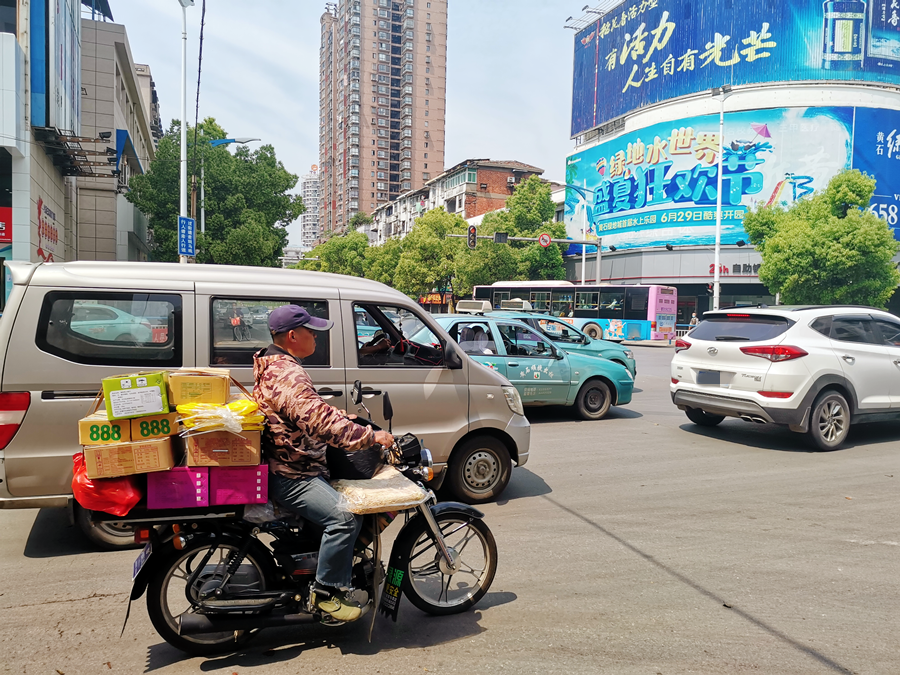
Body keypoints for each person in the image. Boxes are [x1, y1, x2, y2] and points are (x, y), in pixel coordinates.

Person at [253, 305, 394, 622]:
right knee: (344, 517)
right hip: (292, 474)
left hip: (293, 463)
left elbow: (303, 411)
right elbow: (319, 423)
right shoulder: (288, 374)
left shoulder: (276, 367)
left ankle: (322, 568)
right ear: (292, 336)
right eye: (309, 330)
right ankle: (326, 592)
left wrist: (341, 416)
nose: (315, 336)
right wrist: (370, 437)